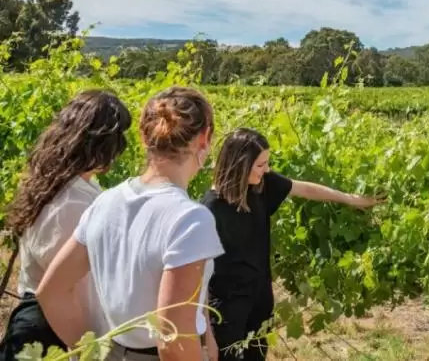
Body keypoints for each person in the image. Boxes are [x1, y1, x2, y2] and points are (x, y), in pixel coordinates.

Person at [37, 86, 223, 361]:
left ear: (143, 136)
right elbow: (172, 343)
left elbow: (50, 291)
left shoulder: (105, 201)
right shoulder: (190, 219)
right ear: (205, 139)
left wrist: (92, 353)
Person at [201, 128, 383, 361]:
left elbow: (304, 188)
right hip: (228, 310)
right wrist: (206, 333)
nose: (266, 170)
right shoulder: (210, 210)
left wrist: (350, 199)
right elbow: (200, 277)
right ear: (240, 165)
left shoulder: (260, 187)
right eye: (260, 165)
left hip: (259, 301)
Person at [0, 90, 132, 361]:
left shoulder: (65, 182)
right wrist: (89, 352)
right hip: (51, 332)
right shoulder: (71, 204)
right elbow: (63, 291)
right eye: (118, 139)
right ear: (100, 143)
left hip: (49, 325)